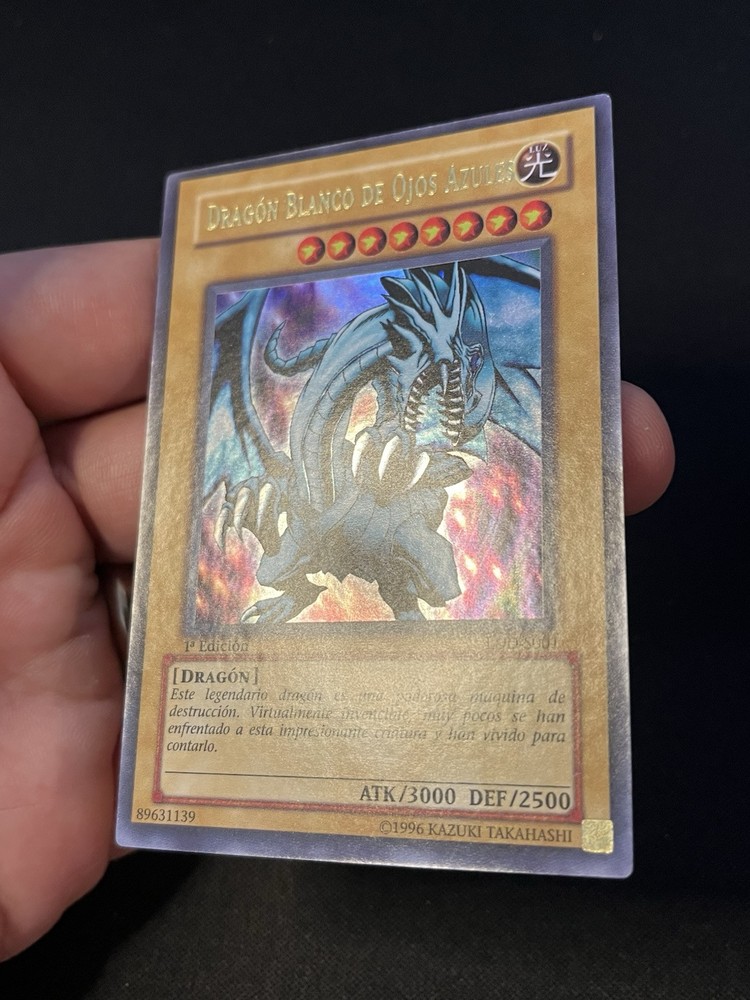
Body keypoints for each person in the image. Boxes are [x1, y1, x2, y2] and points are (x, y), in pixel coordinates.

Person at [0, 240, 675, 961]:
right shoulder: (348, 435)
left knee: (403, 563)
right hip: (336, 520)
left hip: (385, 527)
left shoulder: (420, 431)